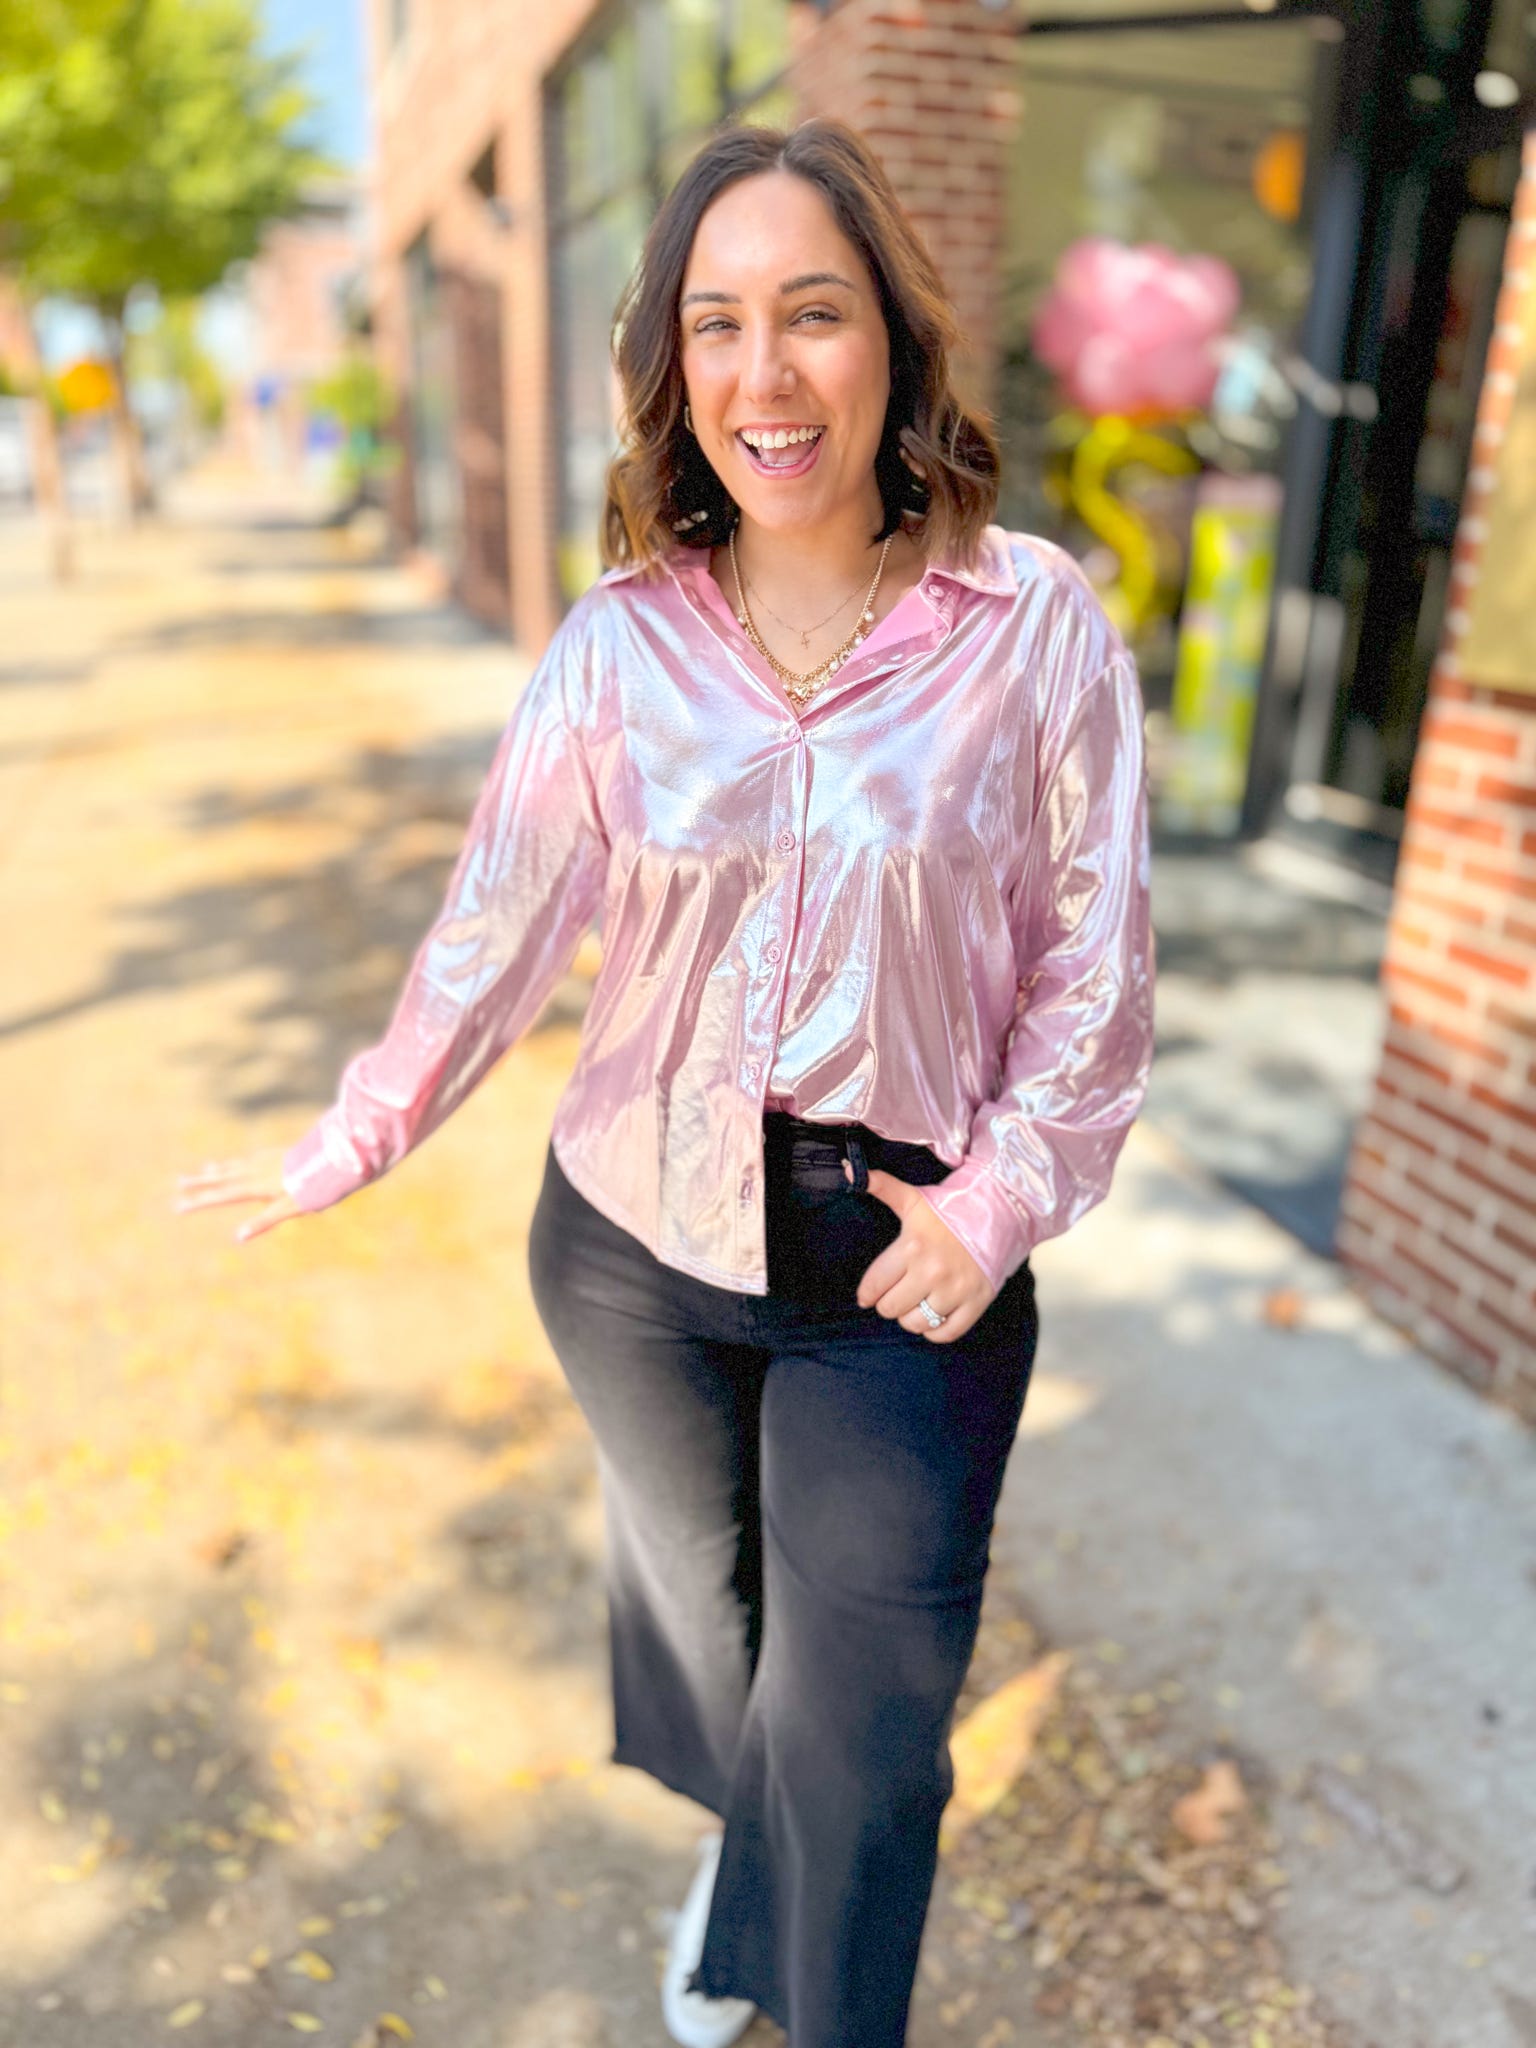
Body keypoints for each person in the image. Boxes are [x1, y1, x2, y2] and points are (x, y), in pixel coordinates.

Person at [178, 118, 1154, 2048]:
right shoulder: (619, 648)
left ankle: (809, 1973)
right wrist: (358, 1131)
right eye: (716, 326)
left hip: (907, 1254)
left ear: (892, 340)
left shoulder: (1032, 624)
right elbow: (497, 928)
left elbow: (1096, 973)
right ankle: (738, 1853)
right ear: (670, 366)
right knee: (720, 1649)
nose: (762, 373)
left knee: (867, 1730)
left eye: (812, 313)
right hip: (631, 1239)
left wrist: (1002, 1201)